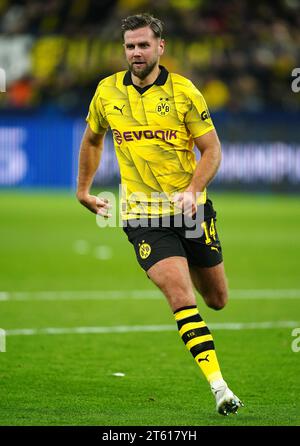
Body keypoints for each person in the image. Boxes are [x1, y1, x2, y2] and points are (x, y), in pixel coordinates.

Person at [76, 12, 243, 416]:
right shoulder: (107, 92)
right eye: (130, 46)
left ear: (160, 47)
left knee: (217, 299)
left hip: (190, 210)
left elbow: (212, 150)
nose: (135, 52)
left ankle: (215, 366)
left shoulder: (185, 93)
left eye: (143, 45)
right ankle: (220, 388)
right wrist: (83, 190)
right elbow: (93, 140)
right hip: (142, 215)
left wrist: (193, 190)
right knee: (180, 295)